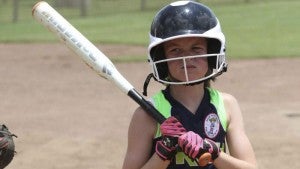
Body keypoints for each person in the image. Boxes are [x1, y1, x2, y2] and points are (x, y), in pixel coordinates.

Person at [122, 1, 257, 169]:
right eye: (175, 51)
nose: (187, 58)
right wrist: (163, 153)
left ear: (211, 54)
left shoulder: (226, 105)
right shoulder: (146, 115)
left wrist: (215, 153)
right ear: (161, 60)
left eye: (196, 48)